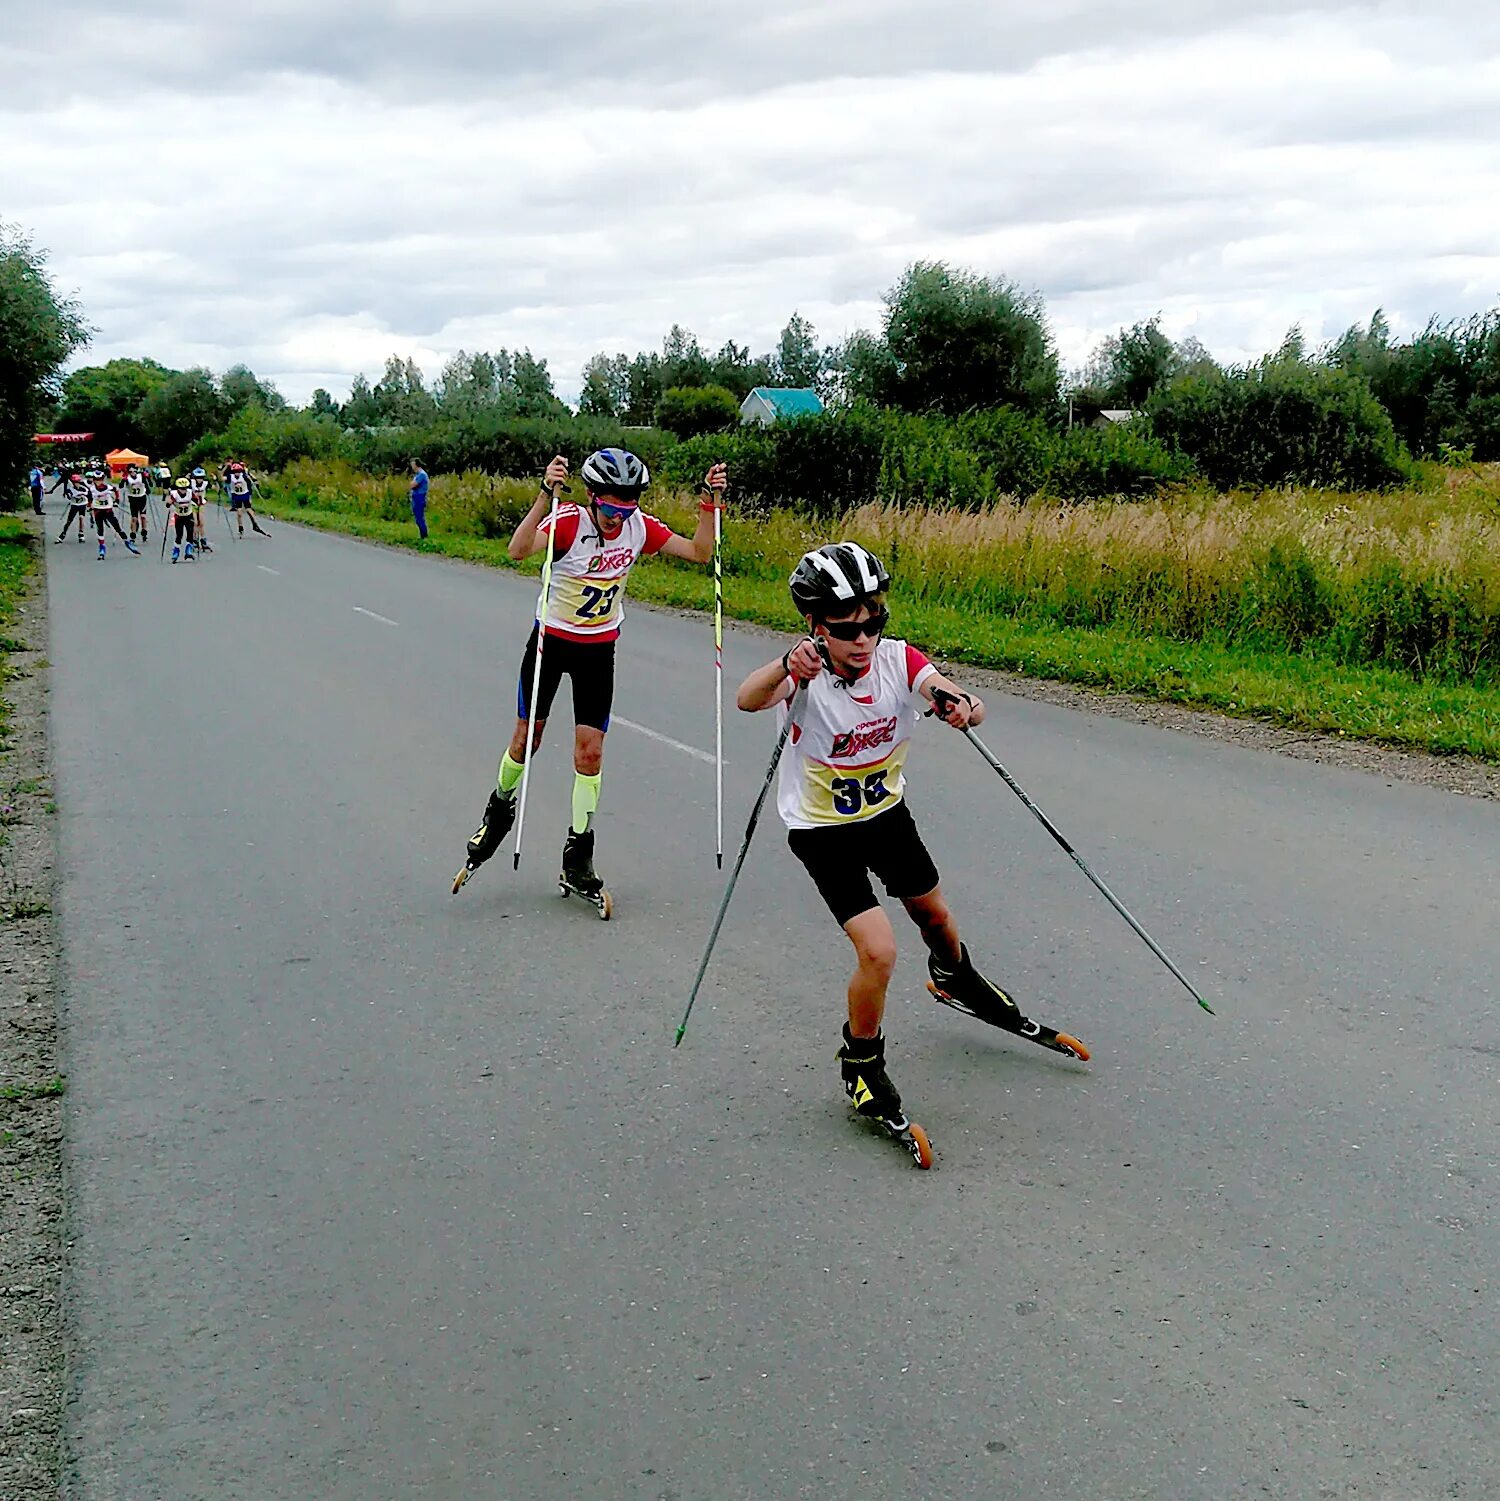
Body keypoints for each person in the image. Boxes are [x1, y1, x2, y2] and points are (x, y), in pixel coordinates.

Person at [735, 542, 1074, 1146]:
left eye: (873, 623)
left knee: (936, 917)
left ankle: (954, 978)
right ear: (815, 628)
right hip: (822, 832)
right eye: (846, 629)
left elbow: (942, 686)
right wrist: (787, 667)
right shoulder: (802, 675)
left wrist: (960, 705)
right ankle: (861, 1063)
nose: (862, 639)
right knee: (880, 951)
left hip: (887, 817)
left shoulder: (895, 661)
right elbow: (747, 697)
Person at [453, 448, 728, 900]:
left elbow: (700, 552)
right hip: (552, 644)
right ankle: (498, 810)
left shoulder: (639, 528)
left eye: (628, 505)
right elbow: (518, 550)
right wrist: (545, 494)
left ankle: (578, 856)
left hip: (599, 649)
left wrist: (707, 502)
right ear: (591, 496)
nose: (618, 517)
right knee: (528, 741)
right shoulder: (568, 521)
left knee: (590, 753)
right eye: (610, 506)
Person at [87, 471, 139, 557]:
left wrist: (117, 500)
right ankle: (102, 548)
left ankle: (128, 543)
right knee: (100, 529)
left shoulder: (107, 487)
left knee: (117, 528)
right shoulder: (91, 489)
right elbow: (89, 499)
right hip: (98, 511)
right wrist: (89, 506)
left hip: (108, 511)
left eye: (100, 479)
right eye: (96, 480)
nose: (98, 481)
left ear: (103, 479)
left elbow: (116, 490)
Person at [224, 460, 269, 536]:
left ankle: (255, 524)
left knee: (248, 510)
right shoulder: (230, 477)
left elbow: (251, 482)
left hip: (244, 494)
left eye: (238, 471)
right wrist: (223, 469)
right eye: (235, 472)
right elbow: (223, 479)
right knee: (239, 512)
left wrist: (254, 483)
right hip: (236, 495)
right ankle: (240, 527)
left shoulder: (244, 476)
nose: (237, 473)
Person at [166, 478, 197, 562]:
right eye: (181, 488)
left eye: (185, 488)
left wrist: (196, 502)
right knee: (179, 535)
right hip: (179, 516)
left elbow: (196, 500)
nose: (183, 491)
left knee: (190, 533)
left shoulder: (190, 492)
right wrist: (169, 502)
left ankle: (188, 551)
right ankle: (176, 552)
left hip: (188, 515)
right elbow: (168, 503)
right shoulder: (174, 494)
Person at [53, 471, 89, 543]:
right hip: (74, 505)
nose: (76, 484)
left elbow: (89, 495)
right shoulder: (70, 490)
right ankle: (62, 535)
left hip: (82, 505)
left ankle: (81, 534)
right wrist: (71, 495)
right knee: (69, 521)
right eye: (75, 482)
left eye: (78, 482)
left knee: (81, 518)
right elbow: (69, 496)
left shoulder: (84, 488)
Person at [123, 464, 151, 545]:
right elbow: (121, 486)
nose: (132, 473)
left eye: (134, 471)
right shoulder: (127, 478)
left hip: (142, 498)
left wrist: (148, 479)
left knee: (143, 516)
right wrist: (123, 480)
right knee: (134, 518)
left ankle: (144, 532)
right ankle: (133, 535)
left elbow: (148, 484)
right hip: (133, 499)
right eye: (130, 472)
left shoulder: (141, 476)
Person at [408, 458, 429, 539]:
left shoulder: (421, 475)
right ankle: (422, 535)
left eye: (413, 465)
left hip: (419, 497)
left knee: (420, 517)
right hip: (416, 496)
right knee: (417, 517)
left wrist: (412, 484)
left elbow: (413, 485)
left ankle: (424, 535)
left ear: (416, 465)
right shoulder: (418, 475)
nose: (412, 467)